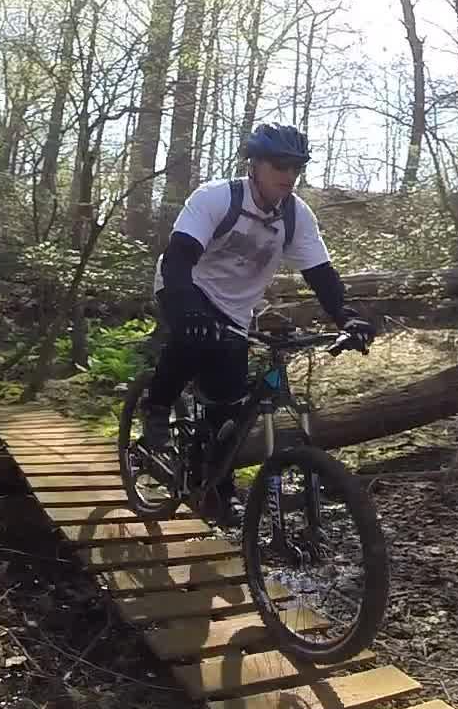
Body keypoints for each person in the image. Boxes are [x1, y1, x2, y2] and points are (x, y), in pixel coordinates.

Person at [139, 124, 375, 519]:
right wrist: (188, 308)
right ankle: (157, 406)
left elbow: (321, 275)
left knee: (228, 404)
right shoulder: (217, 198)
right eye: (279, 165)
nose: (288, 176)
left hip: (235, 309)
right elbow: (179, 257)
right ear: (255, 165)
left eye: (296, 168)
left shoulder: (296, 216)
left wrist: (346, 316)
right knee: (194, 339)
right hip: (184, 285)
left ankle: (213, 488)